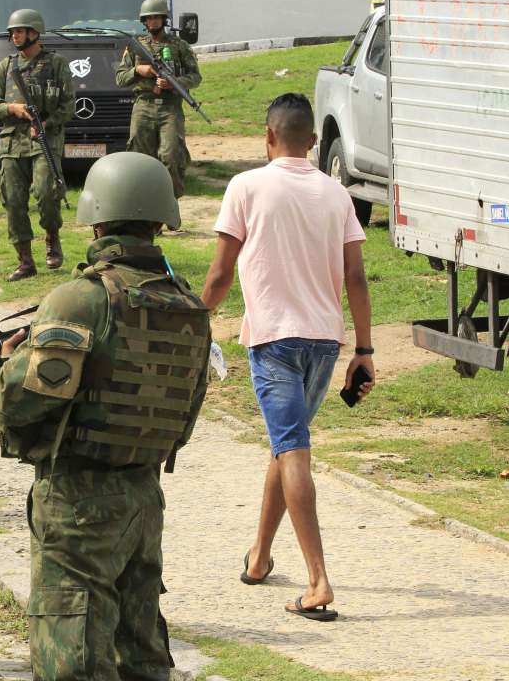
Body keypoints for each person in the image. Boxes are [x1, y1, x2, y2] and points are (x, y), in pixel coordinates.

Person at [0, 151, 211, 680]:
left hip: (78, 501)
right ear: (159, 222)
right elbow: (185, 419)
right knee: (140, 654)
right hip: (144, 498)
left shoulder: (81, 300)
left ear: (97, 219)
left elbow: (17, 403)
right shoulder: (188, 308)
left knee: (72, 656)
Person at [199, 93, 375, 622]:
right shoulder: (336, 194)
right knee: (286, 445)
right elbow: (357, 278)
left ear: (267, 136)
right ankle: (260, 557)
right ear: (314, 143)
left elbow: (220, 274)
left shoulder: (245, 186)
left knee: (293, 450)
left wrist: (191, 320)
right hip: (324, 343)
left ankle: (318, 581)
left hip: (274, 340)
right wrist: (364, 350)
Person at [0, 9, 75, 281]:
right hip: (12, 143)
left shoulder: (56, 64)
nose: (14, 36)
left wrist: (46, 123)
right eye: (13, 32)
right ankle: (25, 261)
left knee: (47, 193)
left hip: (44, 140)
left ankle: (52, 235)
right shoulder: (6, 66)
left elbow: (69, 105)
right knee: (12, 201)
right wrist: (12, 108)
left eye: (20, 31)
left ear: (34, 33)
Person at [114, 0, 202, 198]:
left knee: (171, 156)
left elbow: (196, 77)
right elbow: (120, 78)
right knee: (140, 159)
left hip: (170, 108)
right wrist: (138, 70)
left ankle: (170, 206)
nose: (153, 21)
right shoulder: (136, 46)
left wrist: (175, 83)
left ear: (164, 19)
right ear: (144, 21)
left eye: (157, 17)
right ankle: (144, 210)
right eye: (149, 18)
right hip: (143, 106)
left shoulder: (179, 46)